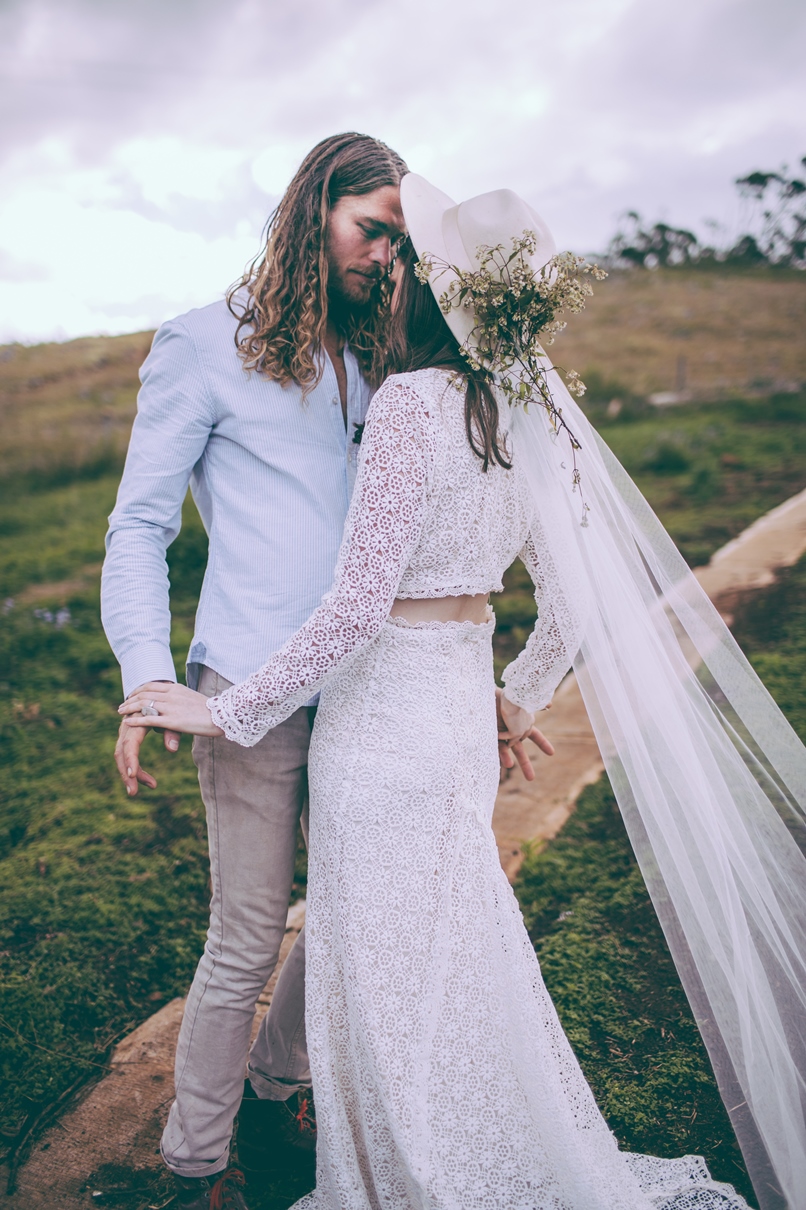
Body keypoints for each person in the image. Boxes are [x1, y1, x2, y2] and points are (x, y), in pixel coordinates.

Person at [121, 177, 806, 1209]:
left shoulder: (406, 401)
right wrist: (517, 695)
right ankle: (293, 1143)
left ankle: (405, 1165)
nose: (388, 267)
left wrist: (226, 710)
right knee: (426, 945)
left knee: (376, 950)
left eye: (407, 254)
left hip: (380, 711)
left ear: (432, 289)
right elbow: (571, 602)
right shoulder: (519, 411)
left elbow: (356, 611)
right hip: (448, 708)